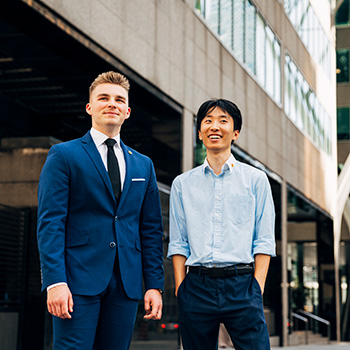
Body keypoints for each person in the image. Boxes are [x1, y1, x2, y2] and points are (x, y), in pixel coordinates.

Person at [37, 71, 164, 349]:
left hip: (126, 284)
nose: (112, 104)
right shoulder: (64, 155)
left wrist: (154, 284)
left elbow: (151, 229)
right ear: (89, 107)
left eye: (119, 100)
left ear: (127, 111)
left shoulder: (143, 164)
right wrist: (55, 281)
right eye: (103, 98)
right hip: (76, 281)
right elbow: (51, 223)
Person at [168, 99, 275, 350]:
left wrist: (256, 288)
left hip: (242, 285)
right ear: (199, 132)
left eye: (223, 120)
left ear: (235, 132)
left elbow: (264, 239)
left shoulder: (256, 180)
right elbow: (178, 241)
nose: (214, 126)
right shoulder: (182, 184)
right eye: (208, 121)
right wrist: (181, 287)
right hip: (196, 287)